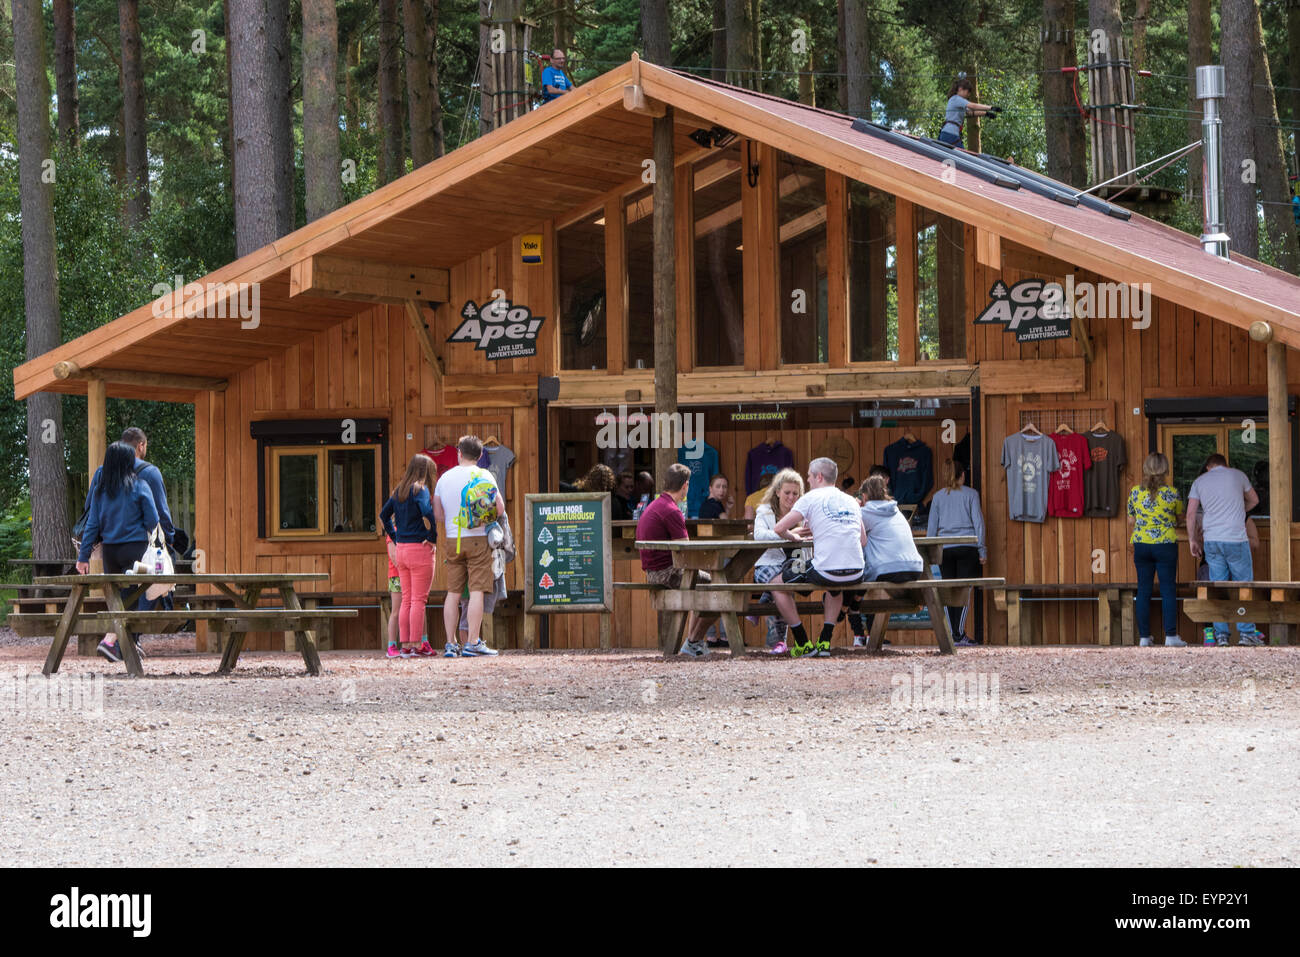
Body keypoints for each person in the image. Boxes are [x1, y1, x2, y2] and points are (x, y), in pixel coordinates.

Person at [770, 457, 867, 659]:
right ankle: (824, 641)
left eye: (809, 476)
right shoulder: (851, 500)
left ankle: (803, 642)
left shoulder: (811, 498)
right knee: (835, 588)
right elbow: (863, 541)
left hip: (826, 570)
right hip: (857, 571)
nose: (808, 480)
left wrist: (794, 536)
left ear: (819, 476)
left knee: (777, 585)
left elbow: (779, 528)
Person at [75, 442, 161, 663]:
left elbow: (92, 525)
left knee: (116, 597)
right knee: (135, 596)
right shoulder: (140, 486)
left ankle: (124, 646)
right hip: (135, 548)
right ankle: (111, 640)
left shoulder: (100, 491)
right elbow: (153, 520)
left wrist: (83, 557)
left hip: (110, 551)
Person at [635, 463, 722, 657]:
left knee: (706, 584)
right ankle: (693, 642)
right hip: (667, 573)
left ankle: (693, 642)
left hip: (654, 572)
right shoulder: (671, 510)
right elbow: (686, 550)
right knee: (721, 589)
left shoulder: (655, 505)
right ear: (685, 485)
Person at [433, 435, 506, 657]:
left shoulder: (444, 478)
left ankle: (450, 643)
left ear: (459, 453)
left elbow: (437, 514)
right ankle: (473, 642)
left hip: (453, 539)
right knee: (476, 592)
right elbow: (500, 509)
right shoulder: (485, 475)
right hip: (478, 539)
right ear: (480, 455)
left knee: (453, 593)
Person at [1188, 453, 1266, 646]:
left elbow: (1190, 514)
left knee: (1218, 587)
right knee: (1243, 585)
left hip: (1212, 540)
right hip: (1236, 538)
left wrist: (1192, 540)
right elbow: (1254, 500)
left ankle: (1221, 635)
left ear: (1208, 467)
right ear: (1225, 465)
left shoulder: (1200, 481)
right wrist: (1240, 510)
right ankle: (1246, 633)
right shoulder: (1238, 475)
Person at [845, 474, 926, 647]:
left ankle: (853, 617)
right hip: (915, 567)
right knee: (863, 583)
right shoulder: (896, 511)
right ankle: (856, 611)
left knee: (851, 578)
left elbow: (848, 534)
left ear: (864, 496)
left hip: (886, 568)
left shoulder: (864, 513)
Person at [380, 454, 439, 658]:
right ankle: (417, 645)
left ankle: (405, 645)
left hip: (403, 550)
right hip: (419, 549)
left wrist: (396, 537)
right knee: (419, 600)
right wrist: (432, 536)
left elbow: (383, 515)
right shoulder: (420, 489)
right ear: (425, 472)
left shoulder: (399, 491)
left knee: (406, 600)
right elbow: (427, 512)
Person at [926, 459, 987, 646]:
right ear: (963, 475)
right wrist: (982, 549)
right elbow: (978, 522)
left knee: (947, 591)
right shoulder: (971, 494)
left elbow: (931, 528)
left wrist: (930, 553)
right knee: (963, 591)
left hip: (945, 548)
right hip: (967, 547)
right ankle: (959, 634)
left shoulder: (937, 497)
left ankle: (952, 633)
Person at [1127, 453, 1186, 647]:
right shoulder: (1173, 493)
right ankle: (1170, 636)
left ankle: (1144, 637)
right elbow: (1180, 519)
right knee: (1167, 589)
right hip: (1165, 544)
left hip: (1141, 544)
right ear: (1166, 470)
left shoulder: (1135, 492)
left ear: (1145, 469)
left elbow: (1131, 521)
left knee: (1143, 589)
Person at [752, 469, 805, 654]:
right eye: (787, 492)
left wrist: (795, 533)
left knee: (780, 587)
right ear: (777, 492)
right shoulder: (765, 511)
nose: (791, 497)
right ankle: (779, 642)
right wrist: (787, 534)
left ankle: (762, 600)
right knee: (780, 587)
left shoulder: (802, 514)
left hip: (792, 567)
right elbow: (758, 535)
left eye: (795, 493)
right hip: (766, 565)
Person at [938, 75, 999, 147]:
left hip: (948, 134)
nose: (968, 95)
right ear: (960, 89)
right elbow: (972, 106)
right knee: (962, 156)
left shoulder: (957, 101)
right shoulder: (956, 99)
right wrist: (991, 108)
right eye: (968, 92)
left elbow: (970, 112)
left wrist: (986, 113)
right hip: (950, 134)